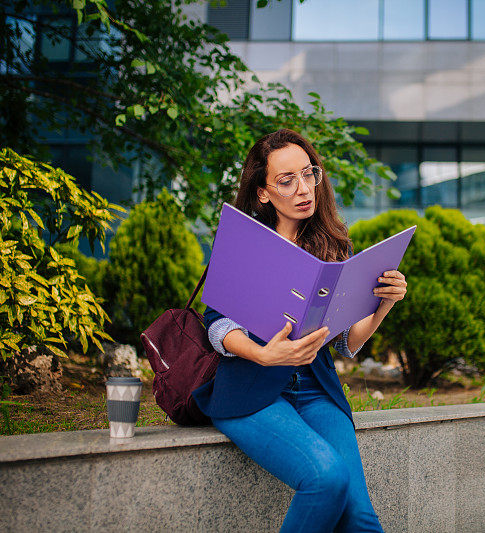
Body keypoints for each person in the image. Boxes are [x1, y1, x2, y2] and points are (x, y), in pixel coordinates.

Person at [192, 128, 408, 533]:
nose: (303, 188)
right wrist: (263, 354)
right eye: (287, 181)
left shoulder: (333, 247)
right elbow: (217, 325)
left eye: (308, 174)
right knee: (326, 478)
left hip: (316, 390)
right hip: (252, 391)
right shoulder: (245, 244)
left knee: (362, 520)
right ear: (262, 192)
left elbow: (347, 341)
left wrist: (384, 304)